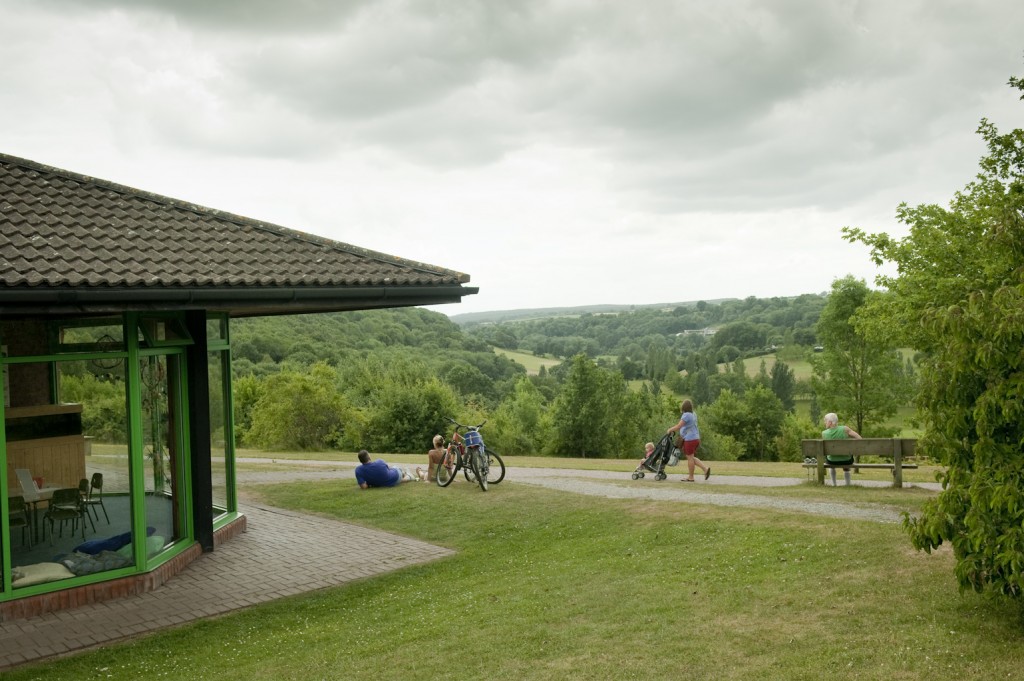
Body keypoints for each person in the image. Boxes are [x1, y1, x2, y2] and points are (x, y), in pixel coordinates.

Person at [667, 399, 710, 482]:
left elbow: (679, 426)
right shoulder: (693, 414)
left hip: (690, 439)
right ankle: (705, 469)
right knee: (691, 457)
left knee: (690, 458)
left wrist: (670, 430)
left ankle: (691, 477)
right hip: (695, 438)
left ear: (683, 407)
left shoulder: (686, 415)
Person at [821, 413, 862, 486]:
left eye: (825, 421)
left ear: (830, 422)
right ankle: (848, 484)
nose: (825, 422)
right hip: (846, 460)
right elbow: (859, 438)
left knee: (830, 461)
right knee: (846, 458)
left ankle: (834, 484)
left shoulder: (824, 433)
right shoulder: (845, 429)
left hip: (831, 461)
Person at [354, 450, 418, 489]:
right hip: (395, 477)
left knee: (393, 471)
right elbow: (388, 469)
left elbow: (364, 487)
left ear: (360, 460)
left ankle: (406, 474)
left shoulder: (358, 470)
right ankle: (408, 475)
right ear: (369, 457)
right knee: (395, 468)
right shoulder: (380, 461)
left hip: (385, 482)